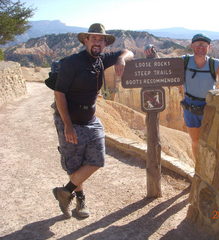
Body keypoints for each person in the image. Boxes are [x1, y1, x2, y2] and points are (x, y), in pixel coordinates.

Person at [52, 23, 133, 218]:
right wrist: (68, 126)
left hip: (91, 119)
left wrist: (121, 59)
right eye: (94, 38)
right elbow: (59, 93)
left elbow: (127, 51)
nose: (97, 42)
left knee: (97, 161)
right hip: (70, 120)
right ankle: (80, 202)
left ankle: (64, 191)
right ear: (86, 40)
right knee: (75, 165)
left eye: (101, 39)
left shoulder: (101, 59)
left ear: (105, 43)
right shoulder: (72, 63)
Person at [180, 33, 219, 161]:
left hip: (209, 107)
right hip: (190, 107)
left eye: (204, 45)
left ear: (209, 48)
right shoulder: (184, 60)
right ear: (192, 46)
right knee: (195, 141)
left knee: (211, 141)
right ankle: (198, 167)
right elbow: (166, 66)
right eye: (198, 45)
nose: (201, 47)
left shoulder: (215, 64)